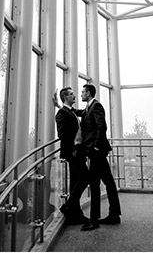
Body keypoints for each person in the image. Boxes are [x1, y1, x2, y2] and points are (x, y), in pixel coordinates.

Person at [80, 83, 121, 230]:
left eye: (83, 92)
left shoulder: (96, 106)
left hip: (97, 151)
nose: (81, 95)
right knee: (108, 182)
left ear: (89, 93)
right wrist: (61, 106)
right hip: (98, 151)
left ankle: (94, 221)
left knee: (94, 183)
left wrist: (96, 146)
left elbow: (101, 126)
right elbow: (80, 113)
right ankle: (114, 215)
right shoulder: (89, 107)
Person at [55, 87, 90, 225]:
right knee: (85, 177)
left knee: (75, 182)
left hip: (78, 151)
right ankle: (68, 207)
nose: (74, 95)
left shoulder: (69, 111)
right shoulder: (62, 113)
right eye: (70, 94)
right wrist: (73, 149)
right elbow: (62, 134)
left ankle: (75, 213)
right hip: (73, 152)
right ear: (65, 97)